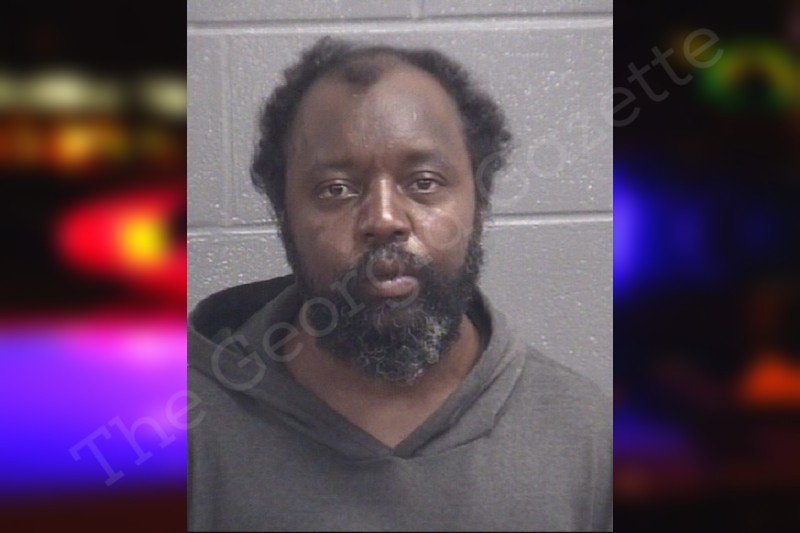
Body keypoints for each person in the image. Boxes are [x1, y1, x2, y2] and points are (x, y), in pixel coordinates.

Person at [188, 36, 612, 531]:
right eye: (336, 188)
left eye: (424, 182)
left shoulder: (588, 438)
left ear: (478, 202)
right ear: (284, 214)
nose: (384, 220)